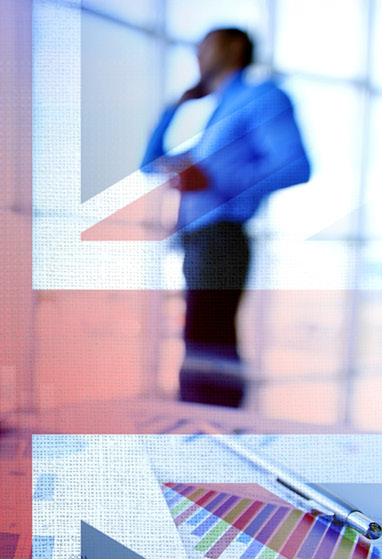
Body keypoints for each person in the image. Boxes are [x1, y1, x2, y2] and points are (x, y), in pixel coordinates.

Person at [142, 28, 310, 407]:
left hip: (221, 238)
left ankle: (214, 440)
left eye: (205, 45)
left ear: (234, 48)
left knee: (209, 345)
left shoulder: (262, 96)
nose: (197, 53)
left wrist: (213, 177)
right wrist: (175, 107)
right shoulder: (219, 111)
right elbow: (149, 165)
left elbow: (296, 166)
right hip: (200, 240)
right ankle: (205, 436)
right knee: (202, 343)